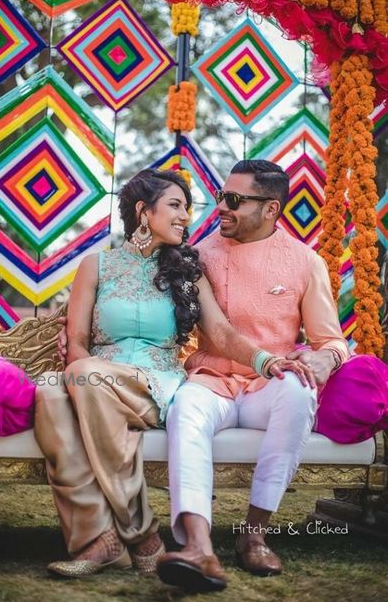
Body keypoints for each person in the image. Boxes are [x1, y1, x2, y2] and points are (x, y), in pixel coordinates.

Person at [34, 168, 310, 582]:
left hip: (154, 385)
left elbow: (219, 332)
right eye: (176, 206)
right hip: (93, 379)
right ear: (144, 212)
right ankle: (102, 540)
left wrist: (264, 361)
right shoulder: (96, 266)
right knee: (50, 391)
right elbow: (76, 340)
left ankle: (140, 535)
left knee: (85, 378)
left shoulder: (187, 272)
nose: (187, 216)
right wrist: (77, 372)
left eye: (188, 208)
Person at [156, 159, 387, 590]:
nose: (222, 206)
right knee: (185, 408)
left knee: (298, 392)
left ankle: (254, 532)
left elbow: (331, 340)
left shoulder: (304, 261)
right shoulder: (200, 256)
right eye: (223, 196)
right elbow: (214, 333)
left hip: (269, 387)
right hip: (213, 381)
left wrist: (327, 360)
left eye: (235, 200)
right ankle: (197, 546)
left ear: (271, 209)